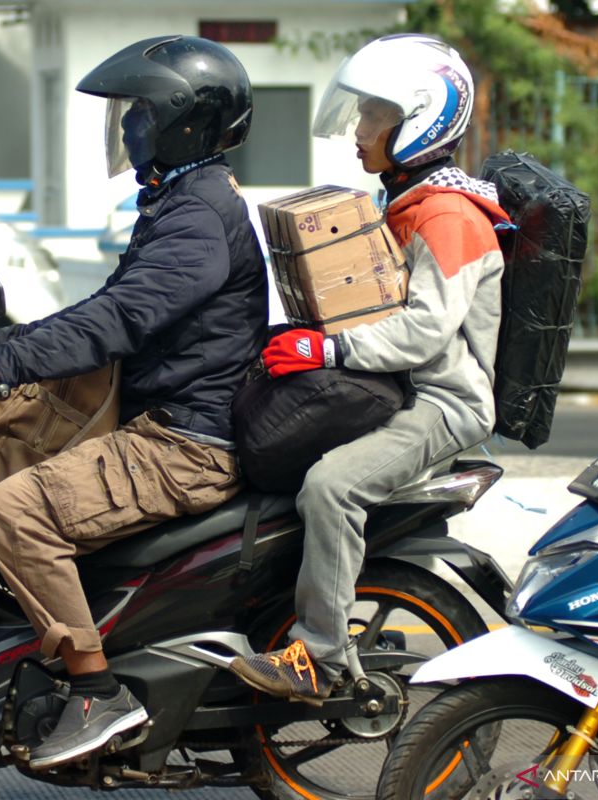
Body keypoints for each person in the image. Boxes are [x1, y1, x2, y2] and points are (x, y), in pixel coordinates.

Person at [0, 35, 268, 768]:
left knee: (10, 509)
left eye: (142, 112)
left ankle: (97, 693)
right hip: (166, 425)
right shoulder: (181, 203)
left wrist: (7, 361)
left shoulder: (196, 217)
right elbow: (112, 305)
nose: (127, 126)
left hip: (183, 445)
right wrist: (9, 338)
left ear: (186, 122)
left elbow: (121, 321)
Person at [229, 34, 511, 704]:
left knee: (330, 486)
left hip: (443, 402)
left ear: (420, 124)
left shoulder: (448, 215)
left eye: (374, 118)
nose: (359, 132)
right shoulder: (410, 199)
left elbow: (423, 331)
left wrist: (326, 352)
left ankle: (320, 659)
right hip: (396, 386)